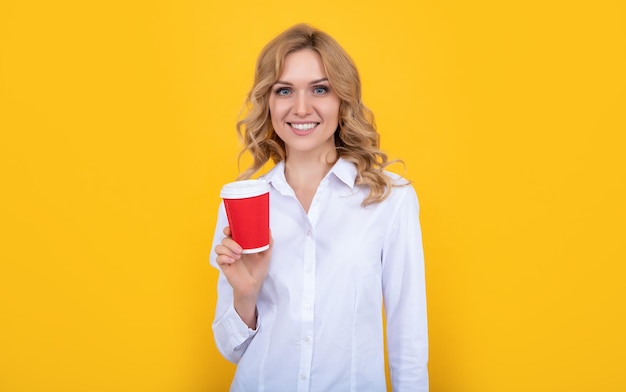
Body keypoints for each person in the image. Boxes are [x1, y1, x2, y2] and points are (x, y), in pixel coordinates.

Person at [210, 23, 428, 391]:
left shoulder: (390, 199)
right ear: (269, 101)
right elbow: (231, 349)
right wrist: (245, 294)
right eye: (284, 90)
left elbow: (408, 338)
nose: (301, 108)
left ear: (342, 99)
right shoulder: (243, 203)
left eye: (320, 89)